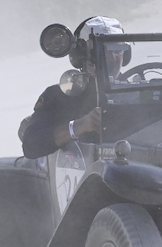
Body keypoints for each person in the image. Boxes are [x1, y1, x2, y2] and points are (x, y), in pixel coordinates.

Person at [19, 16, 129, 159]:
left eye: (118, 49)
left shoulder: (137, 91)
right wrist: (79, 126)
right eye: (102, 51)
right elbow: (31, 146)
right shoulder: (59, 96)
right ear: (81, 56)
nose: (113, 57)